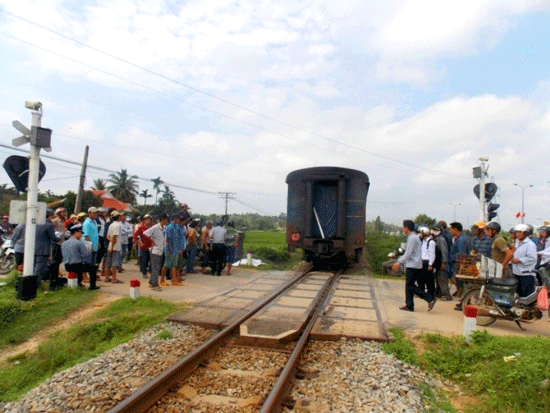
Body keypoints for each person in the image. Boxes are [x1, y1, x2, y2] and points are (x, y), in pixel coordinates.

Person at [392, 220, 436, 312]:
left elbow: (408, 253)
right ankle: (409, 305)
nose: (403, 229)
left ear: (407, 228)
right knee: (409, 285)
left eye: (403, 227)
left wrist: (399, 262)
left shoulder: (412, 238)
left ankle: (429, 298)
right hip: (413, 264)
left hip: (413, 265)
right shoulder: (413, 237)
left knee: (410, 286)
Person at [62, 224, 99, 290]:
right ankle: (92, 286)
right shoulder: (79, 243)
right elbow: (86, 254)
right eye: (80, 233)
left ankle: (78, 284)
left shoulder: (64, 243)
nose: (81, 235)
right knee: (92, 268)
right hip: (77, 265)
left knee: (79, 268)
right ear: (76, 233)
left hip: (67, 265)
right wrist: (90, 249)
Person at [35, 209, 61, 287]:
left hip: (34, 248)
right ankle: (37, 285)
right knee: (39, 269)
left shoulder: (36, 223)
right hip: (43, 250)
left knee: (35, 267)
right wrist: (59, 237)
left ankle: (33, 283)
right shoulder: (48, 224)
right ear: (49, 216)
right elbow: (54, 238)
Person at [510, 224, 537, 298]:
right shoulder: (517, 243)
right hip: (516, 272)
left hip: (526, 274)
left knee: (527, 297)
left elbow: (533, 258)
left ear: (525, 233)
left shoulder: (530, 244)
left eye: (520, 232)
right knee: (518, 295)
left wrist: (520, 260)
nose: (517, 234)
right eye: (517, 232)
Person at [144, 214, 169, 291]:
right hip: (155, 250)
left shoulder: (164, 228)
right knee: (155, 268)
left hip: (161, 249)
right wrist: (151, 241)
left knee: (157, 267)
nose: (167, 221)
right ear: (163, 220)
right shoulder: (155, 227)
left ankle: (152, 281)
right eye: (166, 220)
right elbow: (145, 233)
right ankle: (155, 284)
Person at [448, 222, 470, 300]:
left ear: (455, 229)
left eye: (451, 229)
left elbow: (462, 255)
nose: (450, 231)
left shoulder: (461, 240)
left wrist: (461, 267)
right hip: (457, 264)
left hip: (460, 265)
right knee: (461, 285)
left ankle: (463, 301)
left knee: (461, 285)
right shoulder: (462, 238)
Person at [164, 213, 186, 286]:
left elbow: (178, 239)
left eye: (179, 219)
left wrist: (179, 249)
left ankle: (174, 280)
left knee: (174, 265)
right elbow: (168, 240)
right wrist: (171, 250)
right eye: (177, 218)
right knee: (166, 265)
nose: (178, 220)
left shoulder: (177, 227)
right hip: (170, 249)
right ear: (173, 218)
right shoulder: (170, 227)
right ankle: (162, 280)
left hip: (176, 249)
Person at [432, 224, 451, 300]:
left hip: (441, 262)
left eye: (437, 230)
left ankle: (446, 295)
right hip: (437, 262)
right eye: (434, 230)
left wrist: (444, 263)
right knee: (438, 278)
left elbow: (444, 252)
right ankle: (439, 293)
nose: (435, 231)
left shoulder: (441, 239)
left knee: (442, 278)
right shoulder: (435, 239)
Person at [105, 210, 124, 283]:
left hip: (111, 245)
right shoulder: (117, 225)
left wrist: (111, 242)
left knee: (108, 263)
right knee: (114, 263)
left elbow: (108, 236)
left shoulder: (111, 225)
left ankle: (107, 277)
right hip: (115, 247)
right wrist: (112, 246)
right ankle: (114, 278)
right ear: (118, 217)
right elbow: (114, 237)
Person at [82, 207, 100, 284]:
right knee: (87, 263)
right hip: (89, 246)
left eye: (96, 213)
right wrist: (89, 246)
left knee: (93, 264)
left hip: (95, 245)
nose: (95, 214)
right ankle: (84, 276)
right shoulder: (87, 223)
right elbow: (86, 235)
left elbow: (95, 234)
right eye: (94, 213)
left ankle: (92, 278)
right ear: (89, 213)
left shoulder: (95, 221)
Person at [419, 226, 435, 297]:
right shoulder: (423, 242)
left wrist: (430, 264)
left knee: (429, 279)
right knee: (422, 278)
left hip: (427, 262)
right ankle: (422, 292)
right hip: (422, 261)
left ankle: (431, 293)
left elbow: (432, 254)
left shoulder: (431, 242)